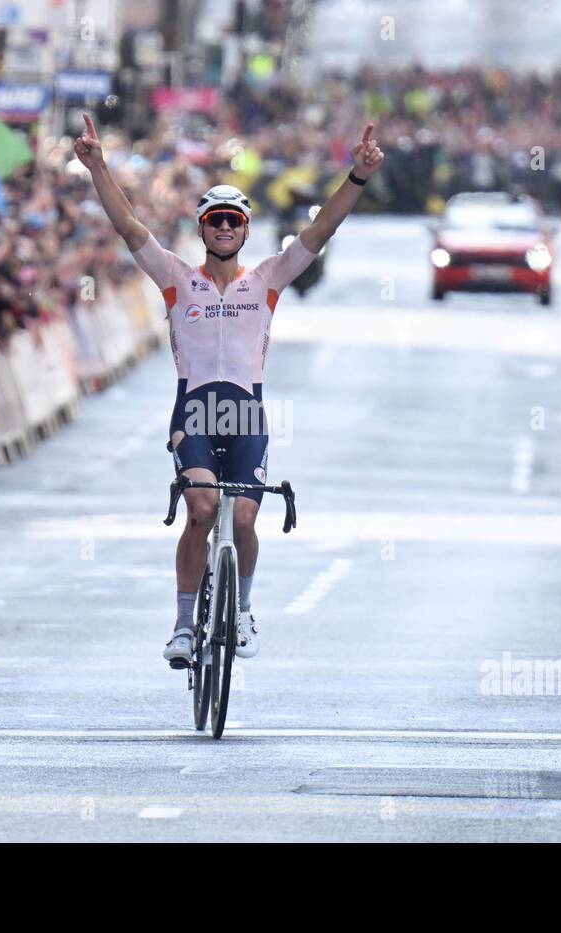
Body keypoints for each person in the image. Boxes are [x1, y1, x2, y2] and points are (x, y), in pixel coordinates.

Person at [72, 111, 385, 667]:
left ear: (244, 230)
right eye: (214, 221)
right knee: (199, 508)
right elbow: (128, 228)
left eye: (233, 222)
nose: (223, 229)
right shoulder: (175, 278)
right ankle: (184, 624)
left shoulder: (266, 279)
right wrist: (99, 167)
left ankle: (241, 611)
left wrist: (356, 176)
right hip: (193, 414)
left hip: (246, 418)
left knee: (242, 518)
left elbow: (320, 230)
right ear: (201, 229)